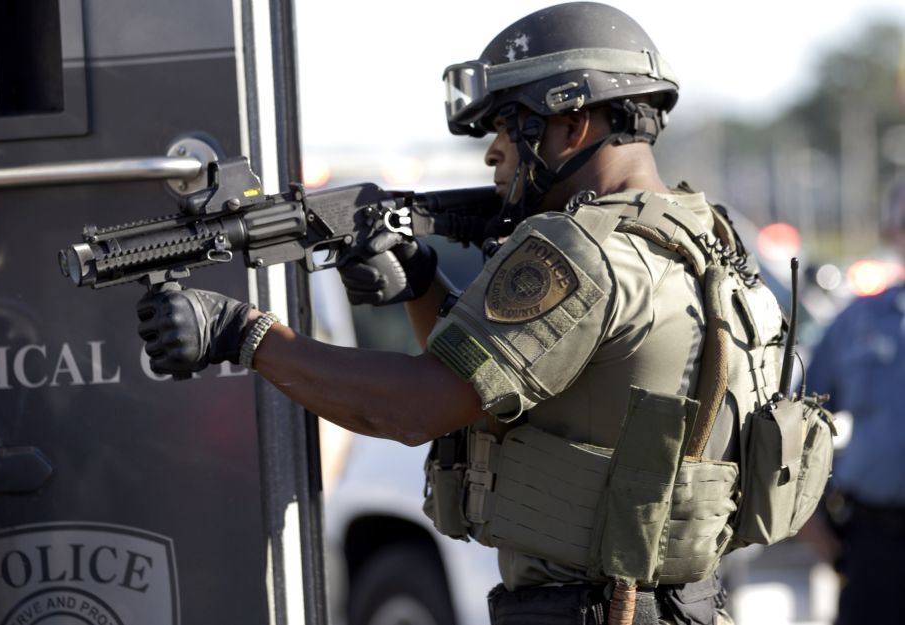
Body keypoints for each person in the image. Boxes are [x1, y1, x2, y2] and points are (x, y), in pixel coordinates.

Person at [135, 3, 793, 623]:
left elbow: (415, 408)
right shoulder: (705, 233)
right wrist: (422, 277)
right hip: (683, 600)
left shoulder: (583, 250)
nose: (492, 152)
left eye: (508, 125)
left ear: (574, 123)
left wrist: (243, 334)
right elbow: (481, 388)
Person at [803, 179, 905, 625]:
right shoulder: (857, 322)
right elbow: (797, 420)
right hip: (875, 545)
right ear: (891, 232)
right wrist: (810, 522)